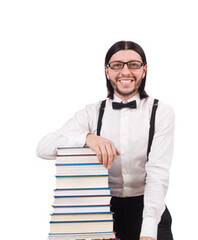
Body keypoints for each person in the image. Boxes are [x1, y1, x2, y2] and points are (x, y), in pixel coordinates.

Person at [37, 40, 175, 240]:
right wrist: (87, 138)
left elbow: (158, 173)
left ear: (144, 70)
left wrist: (148, 232)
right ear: (107, 71)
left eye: (133, 65)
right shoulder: (92, 113)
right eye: (117, 65)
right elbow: (43, 148)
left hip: (149, 206)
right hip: (101, 208)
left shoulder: (161, 112)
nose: (125, 71)